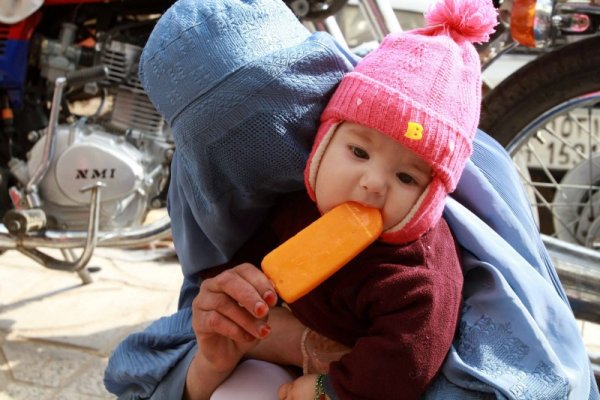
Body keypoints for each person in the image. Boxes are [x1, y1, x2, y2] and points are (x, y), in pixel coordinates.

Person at [104, 0, 600, 398]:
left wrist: (320, 371)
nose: (372, 183)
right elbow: (167, 366)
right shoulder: (219, 200)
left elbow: (499, 371)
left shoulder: (435, 191)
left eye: (282, 120)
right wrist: (214, 357)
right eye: (356, 151)